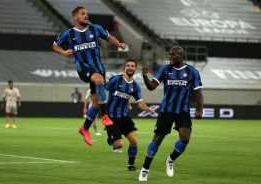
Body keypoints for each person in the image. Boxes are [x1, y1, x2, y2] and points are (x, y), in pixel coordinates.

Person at [52, 6, 126, 145]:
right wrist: (63, 52)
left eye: (87, 13)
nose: (86, 15)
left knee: (97, 103)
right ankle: (105, 116)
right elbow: (54, 45)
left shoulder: (95, 28)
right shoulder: (69, 34)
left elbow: (109, 37)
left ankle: (84, 129)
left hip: (99, 68)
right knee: (98, 80)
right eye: (82, 14)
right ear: (75, 17)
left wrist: (119, 44)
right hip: (84, 69)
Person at [138, 46, 204, 181]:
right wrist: (145, 76)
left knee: (185, 138)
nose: (170, 57)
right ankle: (145, 169)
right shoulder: (165, 69)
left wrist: (199, 109)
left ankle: (170, 159)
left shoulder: (192, 72)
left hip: (183, 111)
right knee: (157, 139)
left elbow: (198, 93)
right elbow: (151, 87)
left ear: (180, 56)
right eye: (169, 55)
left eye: (173, 55)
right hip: (166, 110)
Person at [105, 58, 153, 171]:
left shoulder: (135, 86)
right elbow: (102, 90)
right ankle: (111, 138)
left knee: (134, 141)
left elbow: (140, 104)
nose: (130, 67)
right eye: (128, 65)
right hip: (111, 117)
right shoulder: (115, 80)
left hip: (125, 117)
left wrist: (149, 109)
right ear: (124, 68)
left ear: (135, 69)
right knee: (119, 145)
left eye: (132, 66)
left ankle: (131, 164)